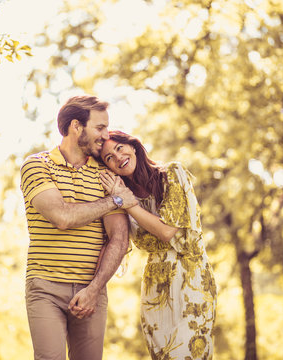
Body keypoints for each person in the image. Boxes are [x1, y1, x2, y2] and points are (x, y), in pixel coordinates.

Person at [20, 96, 137, 360]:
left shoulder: (106, 174)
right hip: (45, 287)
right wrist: (115, 199)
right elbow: (62, 217)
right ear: (76, 126)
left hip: (92, 290)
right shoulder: (36, 165)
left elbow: (119, 239)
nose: (106, 136)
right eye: (100, 128)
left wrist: (95, 289)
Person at [99, 130, 217, 360]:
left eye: (119, 148)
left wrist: (127, 202)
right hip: (156, 288)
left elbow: (166, 231)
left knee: (187, 354)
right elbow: (117, 242)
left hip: (191, 281)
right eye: (109, 158)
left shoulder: (172, 174)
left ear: (132, 146)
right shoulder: (120, 197)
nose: (118, 157)